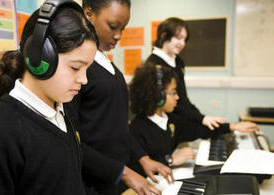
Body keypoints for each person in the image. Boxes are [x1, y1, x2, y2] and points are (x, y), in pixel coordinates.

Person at [0, 1, 98, 194]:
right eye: (75, 67)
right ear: (39, 58)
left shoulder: (60, 112)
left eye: (87, 69)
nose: (84, 79)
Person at [64, 0, 174, 194]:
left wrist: (142, 158)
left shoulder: (109, 67)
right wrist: (124, 173)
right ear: (88, 14)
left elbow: (118, 128)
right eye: (113, 26)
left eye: (123, 29)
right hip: (91, 184)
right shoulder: (76, 69)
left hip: (115, 180)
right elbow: (71, 142)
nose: (118, 36)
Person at [128, 63, 259, 176]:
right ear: (158, 95)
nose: (177, 97)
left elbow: (197, 130)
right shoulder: (137, 129)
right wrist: (171, 160)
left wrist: (232, 127)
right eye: (173, 92)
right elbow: (137, 170)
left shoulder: (169, 119)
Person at [146, 17, 227, 130]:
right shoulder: (153, 65)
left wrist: (201, 117)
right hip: (166, 128)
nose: (182, 43)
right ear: (164, 35)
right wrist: (200, 119)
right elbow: (167, 106)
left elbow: (182, 99)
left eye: (184, 39)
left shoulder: (178, 61)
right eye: (178, 38)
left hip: (182, 122)